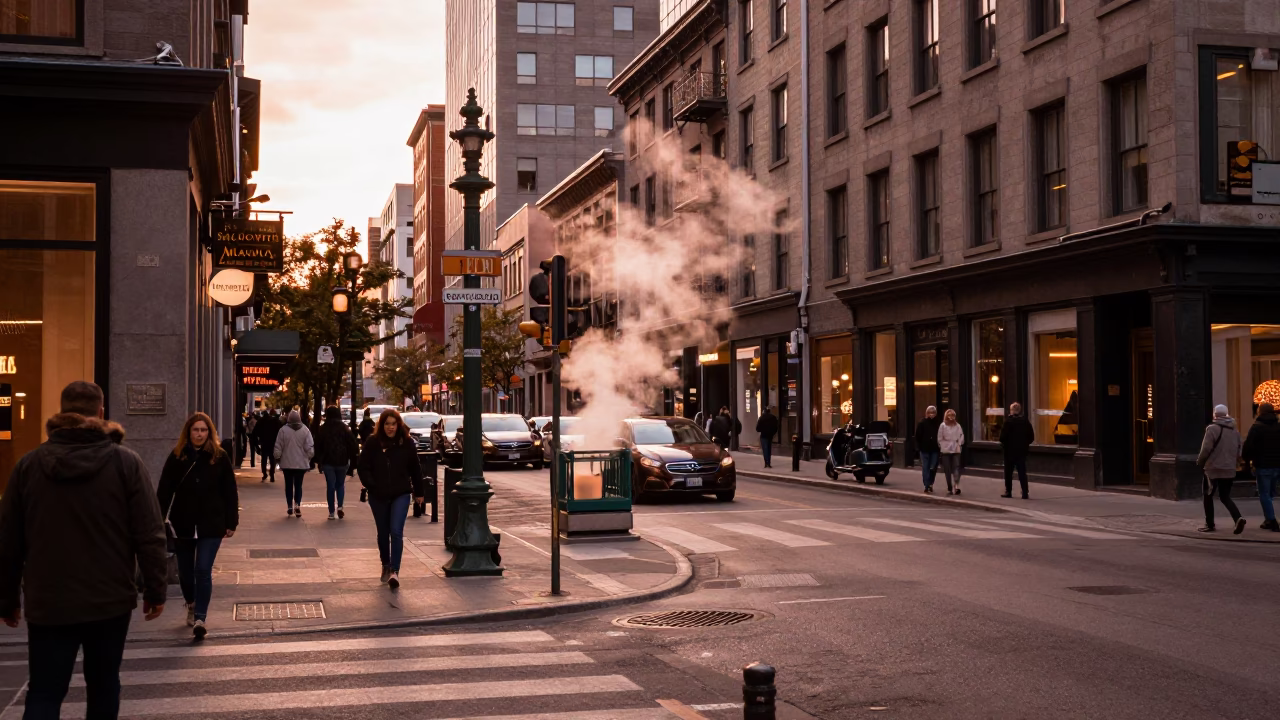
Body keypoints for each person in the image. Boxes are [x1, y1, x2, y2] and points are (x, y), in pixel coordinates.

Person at [0, 381, 167, 719]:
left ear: (61, 414)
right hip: (109, 599)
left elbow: (8, 540)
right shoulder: (125, 464)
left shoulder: (29, 466)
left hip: (49, 599)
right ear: (101, 413)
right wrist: (155, 587)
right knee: (104, 685)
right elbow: (149, 532)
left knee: (45, 690)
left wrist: (7, 597)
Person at [156, 412, 239, 639]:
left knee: (202, 569)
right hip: (182, 523)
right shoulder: (177, 457)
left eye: (203, 430)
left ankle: (200, 617)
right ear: (188, 432)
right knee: (185, 572)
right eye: (196, 430)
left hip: (211, 524)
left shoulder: (219, 457)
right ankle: (191, 603)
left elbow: (230, 492)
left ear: (209, 432)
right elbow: (164, 491)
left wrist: (231, 522)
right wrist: (158, 518)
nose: (200, 434)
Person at [357, 409, 426, 589]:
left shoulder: (407, 443)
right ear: (382, 425)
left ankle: (395, 571)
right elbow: (363, 467)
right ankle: (385, 565)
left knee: (396, 531)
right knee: (383, 532)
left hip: (400, 493)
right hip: (378, 494)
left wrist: (419, 492)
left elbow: (415, 469)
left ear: (398, 425)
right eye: (387, 424)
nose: (390, 427)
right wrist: (372, 485)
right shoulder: (373, 443)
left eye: (393, 424)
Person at [1196, 404, 1246, 534]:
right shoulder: (1235, 431)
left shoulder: (1212, 429)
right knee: (1225, 496)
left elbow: (1206, 449)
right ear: (1227, 414)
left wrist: (1200, 462)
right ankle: (1238, 518)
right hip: (1229, 468)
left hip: (1212, 469)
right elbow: (1239, 450)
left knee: (1208, 496)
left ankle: (1210, 524)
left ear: (1215, 414)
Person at [315, 405, 359, 520]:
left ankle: (331, 512)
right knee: (340, 484)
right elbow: (353, 444)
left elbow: (318, 445)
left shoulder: (323, 428)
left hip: (328, 461)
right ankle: (340, 507)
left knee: (330, 486)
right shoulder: (344, 428)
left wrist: (319, 459)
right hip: (342, 461)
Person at [1243, 401, 1280, 532]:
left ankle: (1272, 520)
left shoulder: (1257, 427)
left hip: (1263, 465)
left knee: (1264, 494)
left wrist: (1246, 461)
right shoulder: (1278, 426)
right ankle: (1268, 519)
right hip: (1277, 465)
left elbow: (1248, 447)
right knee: (1270, 493)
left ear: (1260, 412)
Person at [274, 409, 315, 518]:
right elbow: (309, 447)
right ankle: (297, 504)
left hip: (287, 463)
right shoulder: (305, 430)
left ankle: (289, 506)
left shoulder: (283, 430)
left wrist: (277, 457)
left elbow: (278, 446)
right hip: (301, 464)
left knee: (288, 485)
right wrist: (310, 456)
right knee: (298, 485)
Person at [999, 402, 1035, 499]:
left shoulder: (1008, 422)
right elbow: (1031, 437)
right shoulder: (1025, 422)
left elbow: (1002, 437)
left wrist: (1006, 444)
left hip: (1009, 451)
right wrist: (1025, 444)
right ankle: (1024, 492)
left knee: (1008, 472)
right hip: (1021, 451)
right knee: (1022, 471)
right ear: (1020, 411)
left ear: (1011, 411)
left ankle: (1008, 491)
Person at [914, 405, 942, 493]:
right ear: (927, 413)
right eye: (930, 412)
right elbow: (917, 436)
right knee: (925, 467)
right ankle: (927, 485)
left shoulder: (938, 423)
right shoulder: (922, 423)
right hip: (924, 449)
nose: (931, 414)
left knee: (933, 467)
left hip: (935, 449)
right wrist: (918, 447)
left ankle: (931, 483)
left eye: (933, 412)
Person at [937, 408, 965, 495]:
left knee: (956, 467)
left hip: (956, 449)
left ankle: (956, 486)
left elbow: (961, 435)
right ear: (946, 416)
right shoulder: (942, 426)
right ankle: (949, 487)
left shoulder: (958, 426)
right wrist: (943, 446)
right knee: (947, 469)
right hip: (946, 450)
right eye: (949, 415)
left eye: (952, 415)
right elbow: (939, 438)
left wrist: (959, 443)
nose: (951, 417)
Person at [253, 409, 282, 482]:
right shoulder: (276, 421)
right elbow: (280, 432)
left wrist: (256, 445)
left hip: (264, 442)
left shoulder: (261, 421)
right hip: (273, 442)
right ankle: (272, 473)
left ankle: (264, 473)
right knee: (272, 459)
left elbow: (255, 432)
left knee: (264, 459)